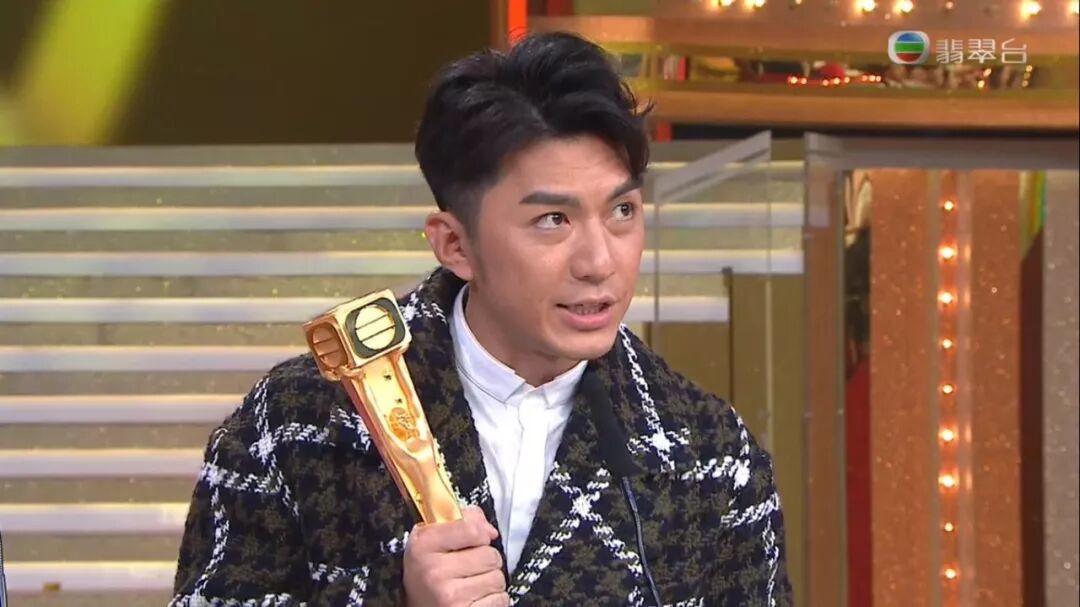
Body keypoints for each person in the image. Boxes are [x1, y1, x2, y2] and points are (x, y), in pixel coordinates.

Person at [171, 32, 791, 606]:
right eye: (553, 220)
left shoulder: (709, 452)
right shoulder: (299, 419)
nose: (601, 262)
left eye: (622, 211)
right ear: (455, 245)